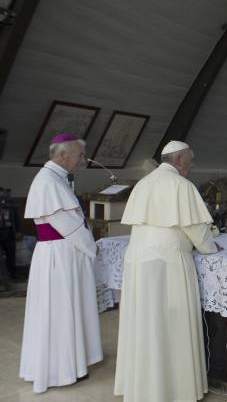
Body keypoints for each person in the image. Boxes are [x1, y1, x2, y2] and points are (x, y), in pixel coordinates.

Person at [115, 141, 220, 402]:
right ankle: (174, 389)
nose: (192, 165)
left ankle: (142, 387)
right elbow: (197, 231)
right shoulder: (182, 186)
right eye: (190, 160)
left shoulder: (143, 183)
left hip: (139, 260)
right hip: (168, 263)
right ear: (180, 159)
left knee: (145, 324)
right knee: (170, 325)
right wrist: (210, 247)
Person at [20, 134, 102, 393]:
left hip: (60, 253)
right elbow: (71, 227)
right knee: (60, 309)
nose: (81, 161)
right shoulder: (48, 182)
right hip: (60, 256)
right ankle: (61, 369)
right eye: (79, 156)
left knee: (65, 309)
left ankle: (72, 363)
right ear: (63, 155)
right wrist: (92, 248)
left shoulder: (54, 179)